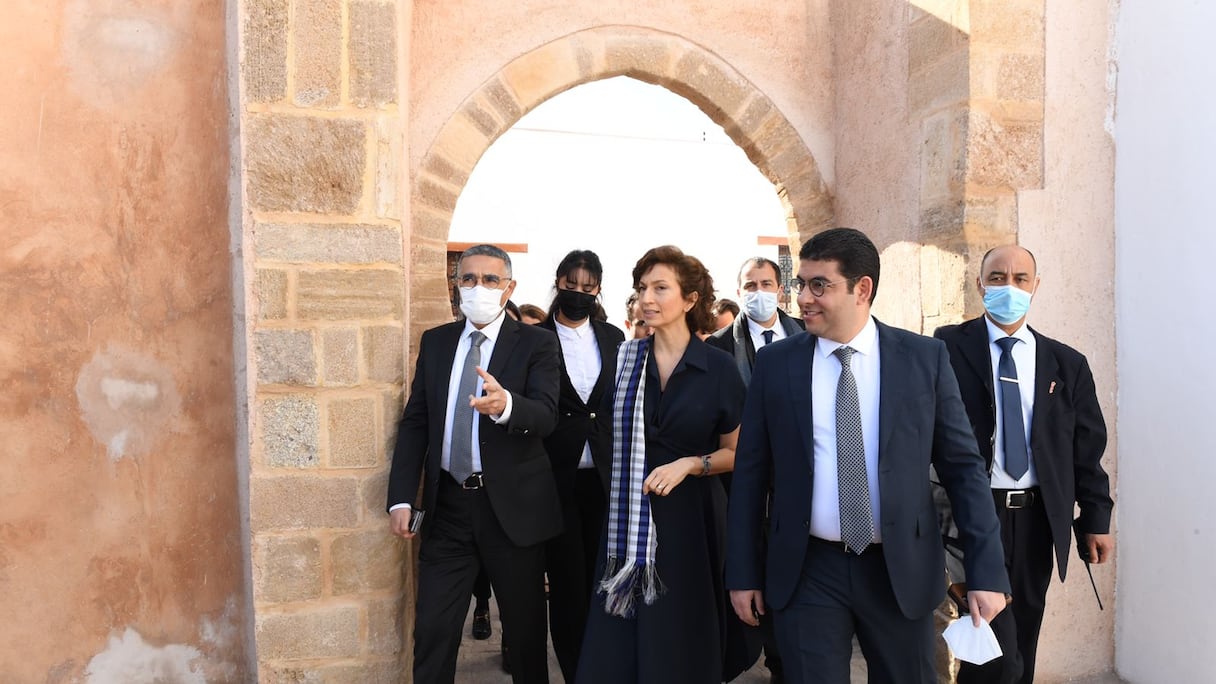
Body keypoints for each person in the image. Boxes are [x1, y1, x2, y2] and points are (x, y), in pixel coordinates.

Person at [726, 228, 1010, 684]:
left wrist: (987, 570)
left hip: (900, 568)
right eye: (802, 284)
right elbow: (751, 475)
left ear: (863, 289)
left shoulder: (924, 359)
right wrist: (742, 572)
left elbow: (964, 471)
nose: (804, 298)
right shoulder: (778, 364)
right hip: (807, 569)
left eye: (820, 285)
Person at [934, 245, 1114, 684]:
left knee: (1024, 636)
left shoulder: (1066, 363)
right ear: (980, 285)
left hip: (1037, 520)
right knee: (994, 646)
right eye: (996, 278)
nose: (1008, 287)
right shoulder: (945, 348)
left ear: (1035, 286)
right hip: (972, 520)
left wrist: (1096, 517)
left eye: (1019, 278)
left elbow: (1086, 448)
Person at [387, 244, 563, 684]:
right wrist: (401, 498)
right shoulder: (437, 341)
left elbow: (546, 415)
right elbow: (415, 422)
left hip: (513, 511)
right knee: (432, 630)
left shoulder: (537, 344)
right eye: (468, 279)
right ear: (456, 285)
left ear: (509, 288)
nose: (478, 287)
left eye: (490, 279)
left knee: (524, 637)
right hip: (449, 508)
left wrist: (507, 407)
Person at [576, 245, 748, 683]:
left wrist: (691, 464)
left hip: (692, 521)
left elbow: (737, 452)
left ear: (690, 299)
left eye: (660, 288)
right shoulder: (625, 361)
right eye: (641, 289)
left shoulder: (720, 368)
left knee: (681, 634)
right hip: (628, 516)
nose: (646, 299)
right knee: (622, 636)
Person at [706, 256, 805, 682]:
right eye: (750, 285)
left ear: (781, 289)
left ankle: (786, 661)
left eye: (767, 283)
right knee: (748, 574)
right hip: (740, 481)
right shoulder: (717, 347)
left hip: (799, 481)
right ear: (740, 289)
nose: (759, 292)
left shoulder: (806, 334)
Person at [536, 249, 626, 682]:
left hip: (607, 480)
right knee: (569, 586)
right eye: (571, 286)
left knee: (605, 580)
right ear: (558, 283)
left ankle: (605, 666)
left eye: (587, 288)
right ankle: (575, 672)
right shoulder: (533, 338)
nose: (578, 294)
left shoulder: (613, 338)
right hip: (557, 479)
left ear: (598, 290)